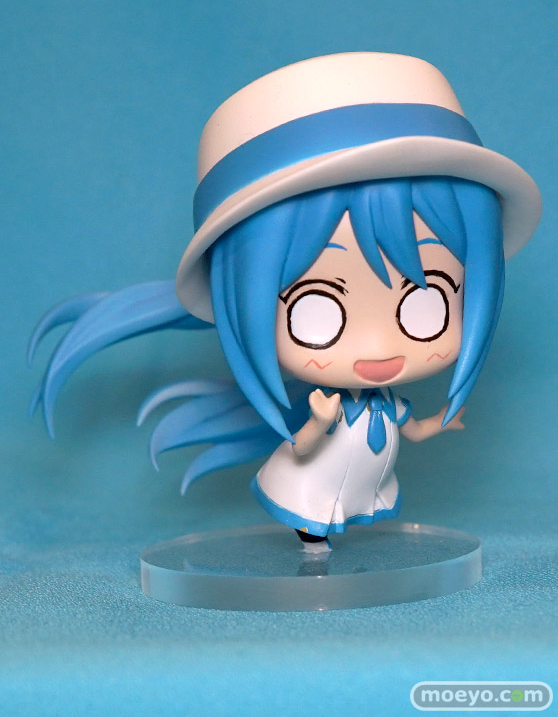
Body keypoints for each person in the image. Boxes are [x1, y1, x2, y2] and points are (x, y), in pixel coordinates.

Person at [30, 52, 541, 549]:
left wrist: (441, 422)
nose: (378, 346)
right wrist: (316, 422)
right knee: (316, 513)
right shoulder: (333, 408)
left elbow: (415, 428)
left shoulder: (390, 406)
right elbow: (303, 447)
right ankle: (313, 537)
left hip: (360, 480)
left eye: (425, 305)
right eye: (318, 312)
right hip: (317, 481)